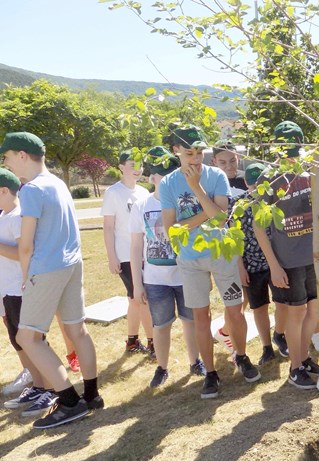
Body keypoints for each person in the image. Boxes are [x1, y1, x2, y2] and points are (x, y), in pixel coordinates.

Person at [2, 132, 103, 429]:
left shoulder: (31, 189)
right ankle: (92, 394)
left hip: (45, 269)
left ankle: (70, 401)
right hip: (72, 264)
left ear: (22, 155)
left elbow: (26, 245)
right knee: (78, 331)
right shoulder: (58, 182)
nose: (8, 164)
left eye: (7, 157)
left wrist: (24, 277)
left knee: (26, 337)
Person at [160, 125, 260, 400]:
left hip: (222, 254)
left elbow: (221, 220)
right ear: (176, 151)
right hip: (190, 260)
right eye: (190, 152)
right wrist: (208, 213)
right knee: (199, 317)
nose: (196, 158)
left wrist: (196, 189)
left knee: (234, 310)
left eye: (200, 152)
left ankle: (241, 356)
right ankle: (211, 373)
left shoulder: (216, 175)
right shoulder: (168, 183)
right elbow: (171, 230)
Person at [130, 147, 206, 388]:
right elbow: (135, 246)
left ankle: (195, 361)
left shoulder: (184, 201)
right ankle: (162, 367)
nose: (166, 181)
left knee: (190, 321)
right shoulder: (141, 206)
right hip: (155, 279)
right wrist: (136, 284)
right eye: (160, 176)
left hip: (185, 274)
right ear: (152, 178)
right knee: (160, 324)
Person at [253, 121, 319, 390]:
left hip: (312, 256)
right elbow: (259, 227)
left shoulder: (309, 172)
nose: (290, 155)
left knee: (313, 309)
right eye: (285, 149)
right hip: (287, 259)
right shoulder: (267, 180)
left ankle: (303, 358)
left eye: (295, 149)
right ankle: (294, 368)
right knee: (296, 312)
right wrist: (273, 266)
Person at [211, 141, 286, 365]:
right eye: (223, 162)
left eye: (232, 160)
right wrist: (239, 264)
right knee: (246, 304)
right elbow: (231, 232)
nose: (229, 165)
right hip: (245, 261)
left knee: (276, 302)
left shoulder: (261, 191)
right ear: (214, 162)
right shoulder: (223, 192)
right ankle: (248, 345)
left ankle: (276, 335)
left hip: (272, 259)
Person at [0, 168, 57, 417]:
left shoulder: (19, 216)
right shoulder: (3, 215)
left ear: (4, 190)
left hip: (21, 290)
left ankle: (52, 389)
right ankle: (38, 385)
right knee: (18, 342)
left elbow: (24, 252)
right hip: (6, 291)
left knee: (34, 342)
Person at [101, 150, 155, 355]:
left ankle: (132, 341)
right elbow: (108, 227)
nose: (137, 169)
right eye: (132, 164)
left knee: (134, 298)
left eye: (140, 165)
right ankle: (153, 343)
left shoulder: (142, 192)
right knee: (142, 299)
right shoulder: (113, 192)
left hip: (144, 254)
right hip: (125, 256)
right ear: (121, 167)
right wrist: (111, 256)